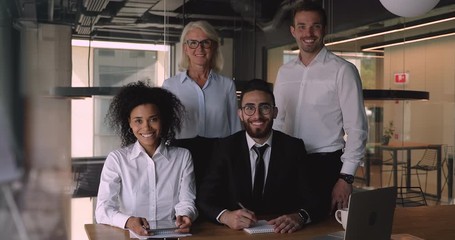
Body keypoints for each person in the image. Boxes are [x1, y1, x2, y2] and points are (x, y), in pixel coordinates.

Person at [272, 1, 368, 214]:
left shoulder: (343, 70)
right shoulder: (284, 72)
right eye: (302, 26)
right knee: (284, 225)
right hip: (287, 164)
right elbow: (277, 121)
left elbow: (357, 128)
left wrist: (346, 177)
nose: (309, 33)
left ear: (324, 30)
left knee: (322, 229)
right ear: (293, 31)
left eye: (315, 26)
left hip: (325, 166)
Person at [197, 79, 325, 233]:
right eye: (249, 108)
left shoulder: (293, 147)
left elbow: (315, 200)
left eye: (264, 108)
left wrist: (300, 216)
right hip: (235, 235)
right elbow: (204, 198)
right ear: (241, 114)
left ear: (275, 112)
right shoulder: (225, 147)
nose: (257, 116)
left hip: (281, 235)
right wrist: (226, 217)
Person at [95, 81, 198, 236]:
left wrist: (185, 215)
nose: (146, 127)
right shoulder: (117, 159)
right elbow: (102, 210)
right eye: (138, 121)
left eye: (153, 119)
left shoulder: (183, 157)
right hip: (129, 237)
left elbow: (187, 201)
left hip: (171, 236)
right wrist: (129, 221)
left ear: (163, 120)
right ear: (129, 123)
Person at [162, 20, 241, 139]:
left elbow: (235, 127)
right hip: (183, 153)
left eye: (205, 42)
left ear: (214, 46)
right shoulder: (170, 85)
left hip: (220, 153)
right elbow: (164, 128)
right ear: (185, 48)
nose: (200, 48)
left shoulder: (227, 85)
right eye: (193, 43)